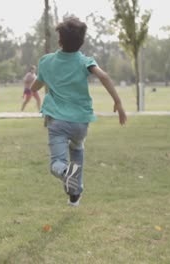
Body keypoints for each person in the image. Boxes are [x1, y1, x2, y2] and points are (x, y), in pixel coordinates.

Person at [30, 16, 127, 206]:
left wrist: (35, 86)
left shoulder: (46, 61)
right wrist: (118, 102)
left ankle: (66, 174)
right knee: (77, 150)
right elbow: (104, 76)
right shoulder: (85, 61)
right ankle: (74, 194)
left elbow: (36, 85)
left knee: (57, 164)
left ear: (60, 40)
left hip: (57, 121)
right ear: (82, 42)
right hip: (81, 123)